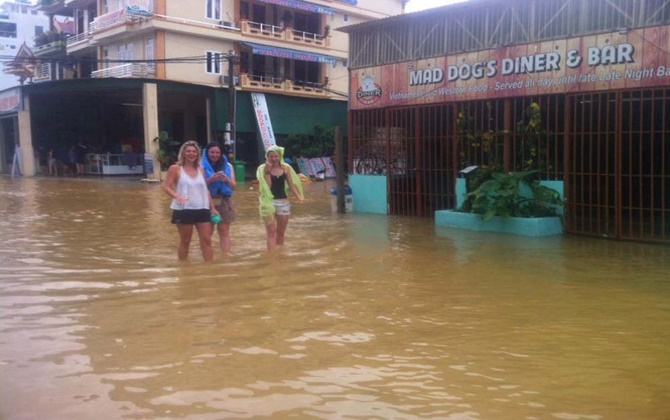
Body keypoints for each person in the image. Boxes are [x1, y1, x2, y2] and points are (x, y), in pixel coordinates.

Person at [163, 140, 219, 262]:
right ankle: (183, 268)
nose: (191, 154)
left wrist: (213, 208)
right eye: (188, 151)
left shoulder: (201, 170)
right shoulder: (175, 168)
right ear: (183, 153)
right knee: (186, 240)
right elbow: (166, 186)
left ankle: (210, 268)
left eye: (194, 151)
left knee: (207, 239)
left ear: (197, 154)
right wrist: (176, 195)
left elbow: (206, 190)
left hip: (202, 208)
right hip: (184, 209)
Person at [256, 145, 304, 250]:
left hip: (283, 203)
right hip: (268, 203)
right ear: (267, 157)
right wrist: (267, 171)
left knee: (281, 232)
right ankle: (271, 255)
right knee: (271, 231)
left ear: (280, 156)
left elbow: (291, 185)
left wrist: (298, 196)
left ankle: (280, 255)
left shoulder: (286, 168)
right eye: (271, 156)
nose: (273, 159)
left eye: (275, 156)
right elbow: (268, 186)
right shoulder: (262, 169)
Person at [201, 142, 237, 253]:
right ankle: (207, 256)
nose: (215, 155)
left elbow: (234, 186)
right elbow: (198, 186)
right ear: (207, 152)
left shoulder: (228, 166)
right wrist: (211, 180)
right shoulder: (200, 166)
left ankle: (225, 258)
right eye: (212, 152)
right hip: (207, 201)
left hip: (224, 200)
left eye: (217, 152)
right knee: (207, 232)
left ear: (221, 153)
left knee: (224, 231)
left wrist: (227, 179)